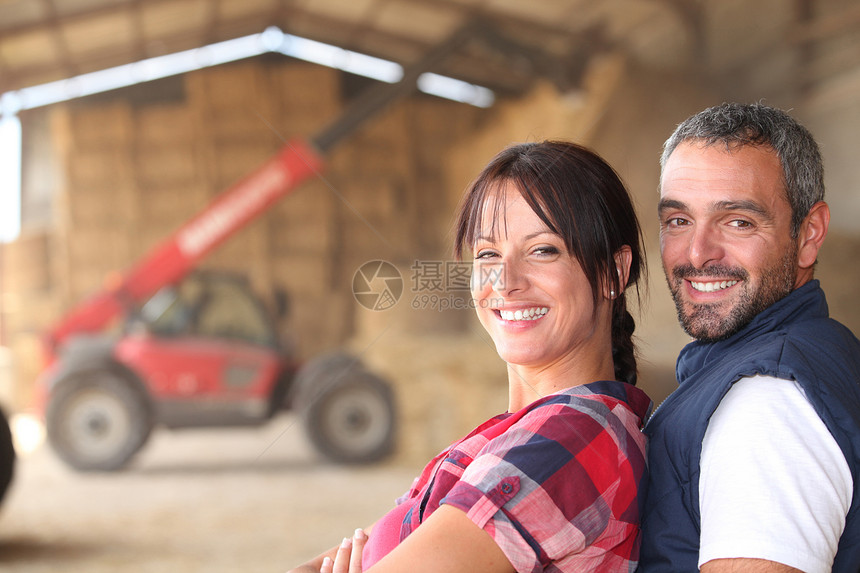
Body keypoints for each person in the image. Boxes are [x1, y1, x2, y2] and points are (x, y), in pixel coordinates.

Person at [288, 140, 652, 573]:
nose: (506, 281)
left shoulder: (572, 438)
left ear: (614, 271)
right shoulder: (512, 434)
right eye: (488, 254)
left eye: (543, 250)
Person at [638, 102, 860, 572]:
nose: (697, 253)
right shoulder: (819, 347)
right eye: (678, 220)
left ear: (809, 233)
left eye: (738, 221)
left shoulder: (766, 405)